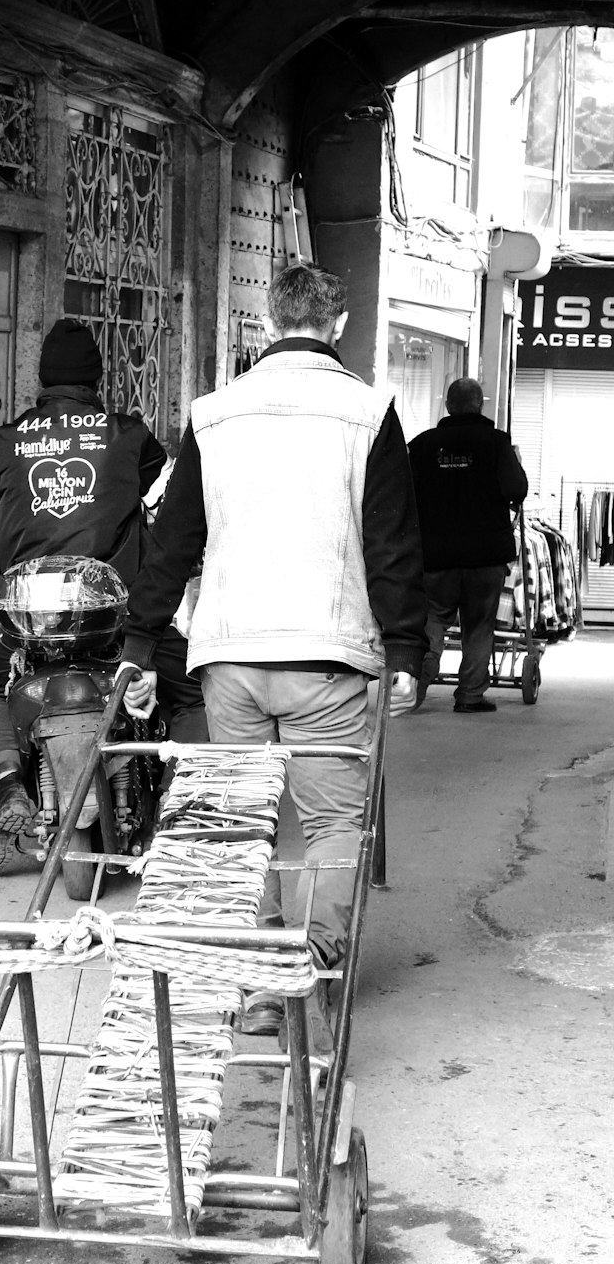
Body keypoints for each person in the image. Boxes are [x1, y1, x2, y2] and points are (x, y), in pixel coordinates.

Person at [118, 263, 427, 1053]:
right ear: (341, 322)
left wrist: (141, 645)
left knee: (243, 818)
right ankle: (309, 963)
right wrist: (405, 651)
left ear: (267, 319)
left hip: (230, 658)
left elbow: (173, 540)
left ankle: (259, 979)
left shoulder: (214, 414)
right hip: (326, 655)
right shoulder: (369, 412)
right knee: (330, 822)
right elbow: (392, 545)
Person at [0, 317, 206, 874]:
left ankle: (6, 787)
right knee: (188, 691)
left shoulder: (2, 442)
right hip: (117, 621)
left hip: (33, 624)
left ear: (41, 380)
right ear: (98, 379)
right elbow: (171, 516)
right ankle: (181, 807)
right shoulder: (128, 436)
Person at [408, 376, 528, 714]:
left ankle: (415, 686)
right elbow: (516, 489)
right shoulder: (496, 443)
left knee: (431, 621)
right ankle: (471, 695)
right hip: (485, 555)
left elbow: (404, 495)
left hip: (436, 555)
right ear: (480, 405)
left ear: (448, 406)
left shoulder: (422, 445)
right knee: (478, 626)